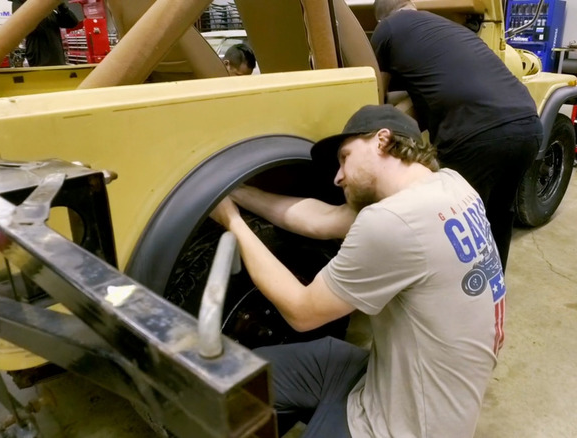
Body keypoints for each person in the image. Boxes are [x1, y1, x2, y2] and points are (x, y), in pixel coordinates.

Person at [210, 104, 506, 437]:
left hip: (408, 426)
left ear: (382, 140)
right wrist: (237, 194)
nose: (338, 176)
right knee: (247, 377)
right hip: (403, 381)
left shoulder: (393, 221)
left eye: (345, 157)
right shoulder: (450, 185)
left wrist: (232, 221)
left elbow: (300, 311)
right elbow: (319, 220)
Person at [371, 0, 543, 272]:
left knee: (453, 222)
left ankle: (456, 296)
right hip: (528, 125)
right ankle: (491, 289)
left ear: (381, 18)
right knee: (497, 215)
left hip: (478, 136)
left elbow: (375, 95)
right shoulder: (452, 29)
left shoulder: (387, 29)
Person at [10, 0, 79, 67]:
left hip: (58, 59)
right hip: (39, 58)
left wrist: (60, 5)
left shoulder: (49, 9)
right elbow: (26, 25)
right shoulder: (19, 2)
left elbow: (72, 23)